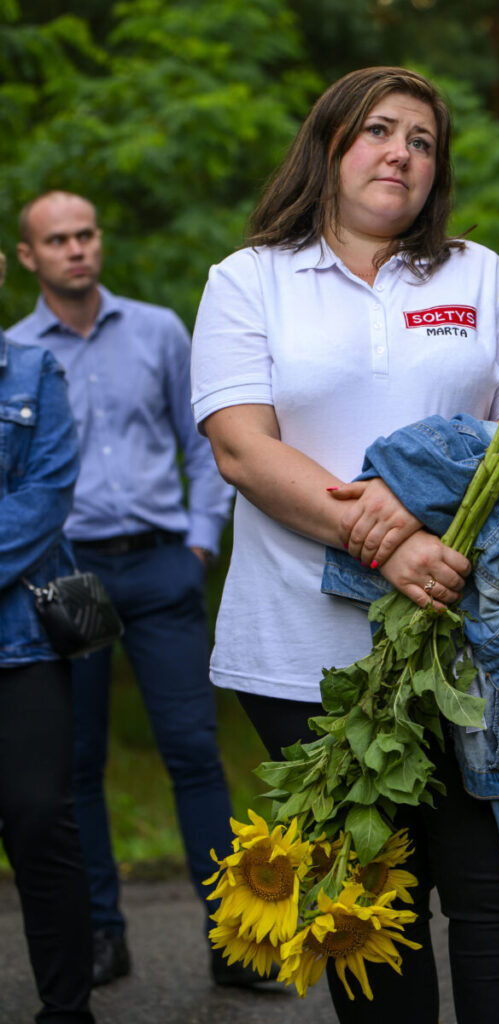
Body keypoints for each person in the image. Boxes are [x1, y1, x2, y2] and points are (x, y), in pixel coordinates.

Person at [191, 66, 499, 1024]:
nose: (401, 152)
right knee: (373, 909)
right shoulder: (249, 280)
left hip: (471, 641)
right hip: (302, 654)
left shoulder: (477, 273)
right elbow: (242, 446)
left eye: (421, 140)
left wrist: (412, 512)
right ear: (328, 143)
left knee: (498, 894)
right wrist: (384, 548)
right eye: (378, 130)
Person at [6, 192, 245, 989]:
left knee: (194, 754)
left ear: (99, 242)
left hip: (161, 564)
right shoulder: (14, 355)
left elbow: (206, 438)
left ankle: (233, 936)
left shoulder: (158, 330)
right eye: (57, 240)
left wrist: (201, 540)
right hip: (61, 579)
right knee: (75, 767)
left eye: (86, 234)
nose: (76, 249)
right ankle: (102, 936)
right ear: (29, 256)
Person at [0, 248, 96, 1022]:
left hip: (20, 645)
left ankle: (68, 1009)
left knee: (39, 820)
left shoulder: (35, 374)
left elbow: (44, 500)